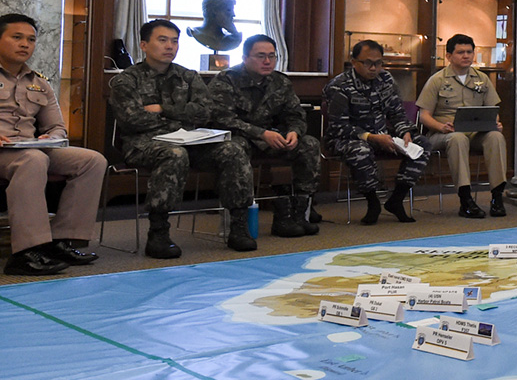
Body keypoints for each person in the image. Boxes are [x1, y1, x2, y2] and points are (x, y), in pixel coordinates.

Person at [110, 19, 257, 258]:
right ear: (144, 45)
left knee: (233, 149)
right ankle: (158, 232)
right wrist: (182, 117)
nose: (170, 46)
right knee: (174, 154)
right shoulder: (127, 80)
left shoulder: (187, 76)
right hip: (143, 143)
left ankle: (238, 225)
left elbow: (206, 112)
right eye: (163, 40)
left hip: (191, 140)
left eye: (175, 41)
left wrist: (163, 109)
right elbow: (133, 121)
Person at [0, 14, 105, 275]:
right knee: (34, 159)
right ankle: (25, 253)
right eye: (17, 37)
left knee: (92, 160)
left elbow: (57, 127)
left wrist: (53, 137)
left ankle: (61, 241)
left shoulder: (39, 82)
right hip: (7, 152)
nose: (25, 44)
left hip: (28, 150)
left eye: (31, 39)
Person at [208, 34, 320, 239]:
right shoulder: (226, 80)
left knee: (309, 145)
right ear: (245, 57)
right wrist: (260, 133)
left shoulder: (280, 82)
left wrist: (294, 131)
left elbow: (295, 114)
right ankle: (239, 223)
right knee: (233, 150)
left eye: (271, 56)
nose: (267, 61)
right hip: (240, 137)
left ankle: (299, 212)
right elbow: (221, 119)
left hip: (272, 137)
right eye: (260, 56)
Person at [323, 40, 426, 225]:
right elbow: (338, 126)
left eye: (378, 63)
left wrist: (405, 132)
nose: (373, 68)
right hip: (346, 138)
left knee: (422, 144)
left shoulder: (386, 80)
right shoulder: (339, 86)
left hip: (383, 135)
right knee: (360, 150)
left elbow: (397, 113)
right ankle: (372, 203)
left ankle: (396, 199)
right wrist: (371, 137)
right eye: (368, 63)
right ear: (354, 62)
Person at [417, 34, 508, 218]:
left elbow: (492, 108)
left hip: (475, 132)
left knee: (496, 137)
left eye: (469, 52)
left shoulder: (482, 78)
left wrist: (494, 123)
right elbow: (423, 116)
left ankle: (497, 197)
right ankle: (465, 199)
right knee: (457, 138)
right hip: (443, 133)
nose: (466, 56)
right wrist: (440, 127)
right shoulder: (437, 80)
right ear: (449, 56)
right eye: (461, 52)